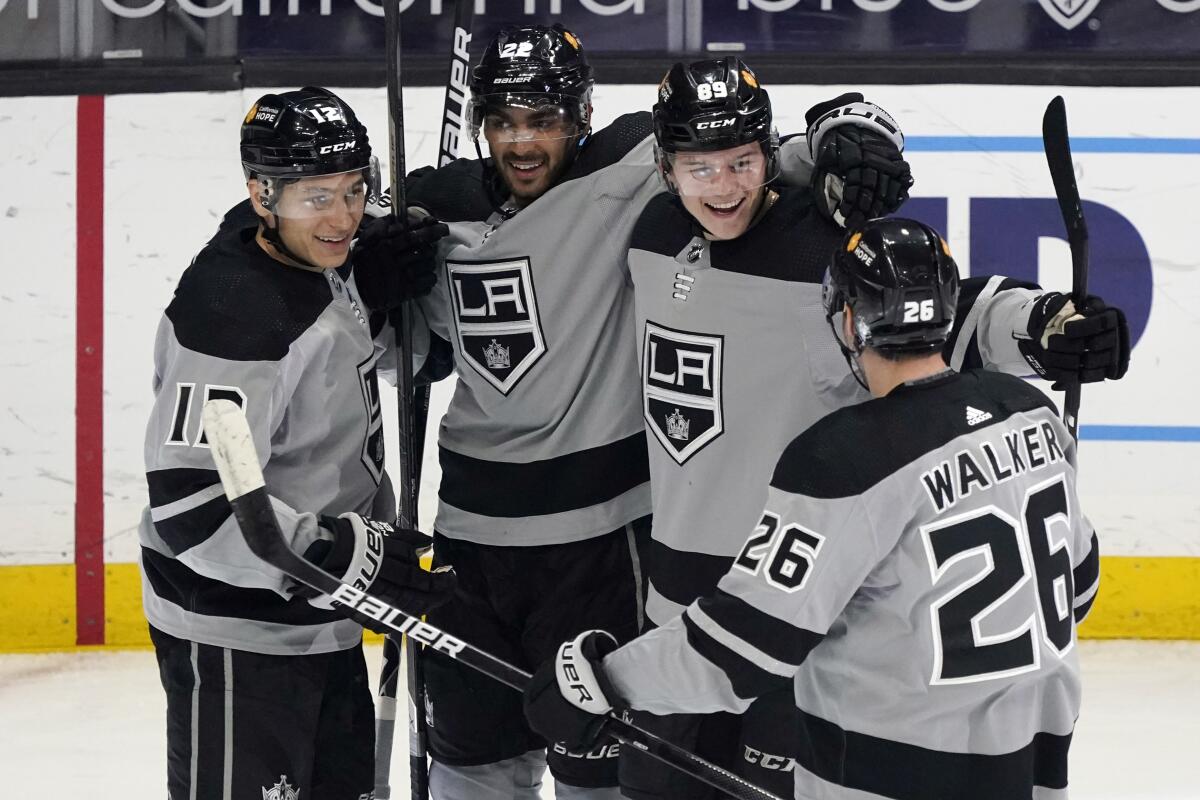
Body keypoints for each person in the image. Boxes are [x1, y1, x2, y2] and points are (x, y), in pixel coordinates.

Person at [352, 24, 913, 800]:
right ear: (480, 123)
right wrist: (374, 281)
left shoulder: (630, 172)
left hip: (600, 543)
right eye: (505, 120)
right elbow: (400, 350)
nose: (524, 142)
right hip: (470, 536)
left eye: (545, 119)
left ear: (582, 115)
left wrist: (845, 127)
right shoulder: (426, 209)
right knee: (473, 769)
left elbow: (742, 155)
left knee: (603, 766)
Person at [620, 59, 1130, 800]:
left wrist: (1045, 326)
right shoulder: (648, 232)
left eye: (742, 161)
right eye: (700, 168)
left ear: (768, 150)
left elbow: (945, 310)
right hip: (675, 606)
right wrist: (838, 121)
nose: (724, 186)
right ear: (665, 167)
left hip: (798, 616)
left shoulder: (821, 239)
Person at [524, 217, 1104, 800]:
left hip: (888, 775)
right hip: (1032, 766)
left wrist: (601, 681)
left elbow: (741, 651)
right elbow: (1079, 589)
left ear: (848, 319)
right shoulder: (1029, 411)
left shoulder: (845, 457)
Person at [137, 86, 456, 800]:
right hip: (237, 634)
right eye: (319, 197)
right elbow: (193, 510)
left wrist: (385, 297)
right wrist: (336, 555)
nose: (343, 216)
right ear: (262, 195)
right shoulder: (232, 319)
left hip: (319, 614)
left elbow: (338, 362)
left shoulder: (320, 252)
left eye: (355, 189)